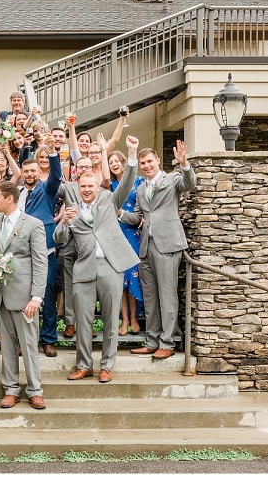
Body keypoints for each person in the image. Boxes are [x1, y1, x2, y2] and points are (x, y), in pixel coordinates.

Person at [54, 135, 140, 383]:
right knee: (83, 320)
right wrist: (65, 221)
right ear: (78, 189)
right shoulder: (73, 209)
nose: (87, 189)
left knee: (112, 320)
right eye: (83, 187)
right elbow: (59, 238)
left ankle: (107, 366)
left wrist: (131, 154)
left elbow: (126, 183)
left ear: (97, 186)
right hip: (83, 269)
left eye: (91, 186)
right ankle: (83, 365)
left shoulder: (109, 200)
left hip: (111, 267)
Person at [125, 141, 196, 360]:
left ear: (157, 160)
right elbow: (137, 217)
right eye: (143, 163)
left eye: (149, 162)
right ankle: (152, 340)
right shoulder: (140, 188)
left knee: (167, 295)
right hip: (146, 246)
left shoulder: (172, 179)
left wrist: (184, 164)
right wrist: (117, 212)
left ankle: (167, 342)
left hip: (168, 244)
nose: (146, 166)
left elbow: (189, 184)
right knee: (151, 297)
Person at [0, 182, 48, 409]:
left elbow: (41, 262)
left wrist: (36, 297)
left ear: (9, 199)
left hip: (25, 296)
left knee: (29, 344)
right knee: (7, 345)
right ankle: (11, 389)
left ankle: (35, 390)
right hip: (1, 294)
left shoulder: (33, 224)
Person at [17, 141, 62, 357]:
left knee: (48, 295)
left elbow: (55, 176)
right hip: (22, 254)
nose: (29, 174)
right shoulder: (16, 194)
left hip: (46, 251)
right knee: (23, 296)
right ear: (22, 173)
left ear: (38, 172)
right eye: (25, 171)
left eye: (33, 170)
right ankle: (25, 339)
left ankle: (49, 339)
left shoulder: (48, 189)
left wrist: (52, 153)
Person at [57, 156, 98, 339]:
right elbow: (52, 186)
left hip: (88, 244)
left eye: (87, 166)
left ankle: (88, 324)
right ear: (75, 169)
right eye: (80, 167)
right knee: (68, 285)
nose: (83, 169)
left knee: (89, 286)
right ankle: (70, 323)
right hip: (68, 241)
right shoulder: (67, 187)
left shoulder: (96, 188)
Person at [108, 149, 146, 335]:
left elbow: (143, 209)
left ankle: (134, 318)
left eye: (116, 161)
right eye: (110, 162)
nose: (114, 164)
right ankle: (124, 319)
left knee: (133, 277)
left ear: (124, 162)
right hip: (116, 234)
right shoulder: (110, 186)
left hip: (134, 234)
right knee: (120, 279)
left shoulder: (139, 182)